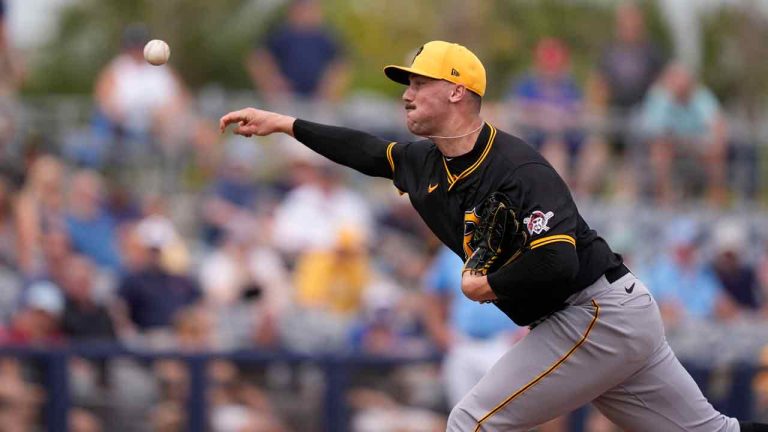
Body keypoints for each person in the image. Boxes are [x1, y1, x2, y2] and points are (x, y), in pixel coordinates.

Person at [220, 40, 766, 431]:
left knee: (472, 421)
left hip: (595, 311)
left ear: (457, 91)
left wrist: (491, 284)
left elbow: (557, 261)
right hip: (604, 316)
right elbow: (365, 151)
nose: (407, 94)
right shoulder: (425, 162)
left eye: (419, 83)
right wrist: (287, 124)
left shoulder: (518, 167)